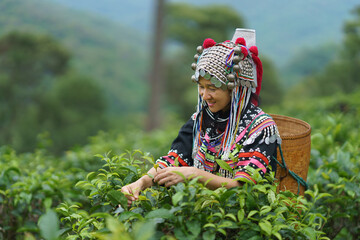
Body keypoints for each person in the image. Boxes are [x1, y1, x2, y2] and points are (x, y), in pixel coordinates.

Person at [121, 28, 281, 206]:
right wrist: (141, 183)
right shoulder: (200, 120)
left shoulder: (261, 127)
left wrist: (194, 174)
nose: (205, 96)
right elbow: (174, 159)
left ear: (235, 88)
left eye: (212, 88)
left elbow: (243, 187)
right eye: (201, 87)